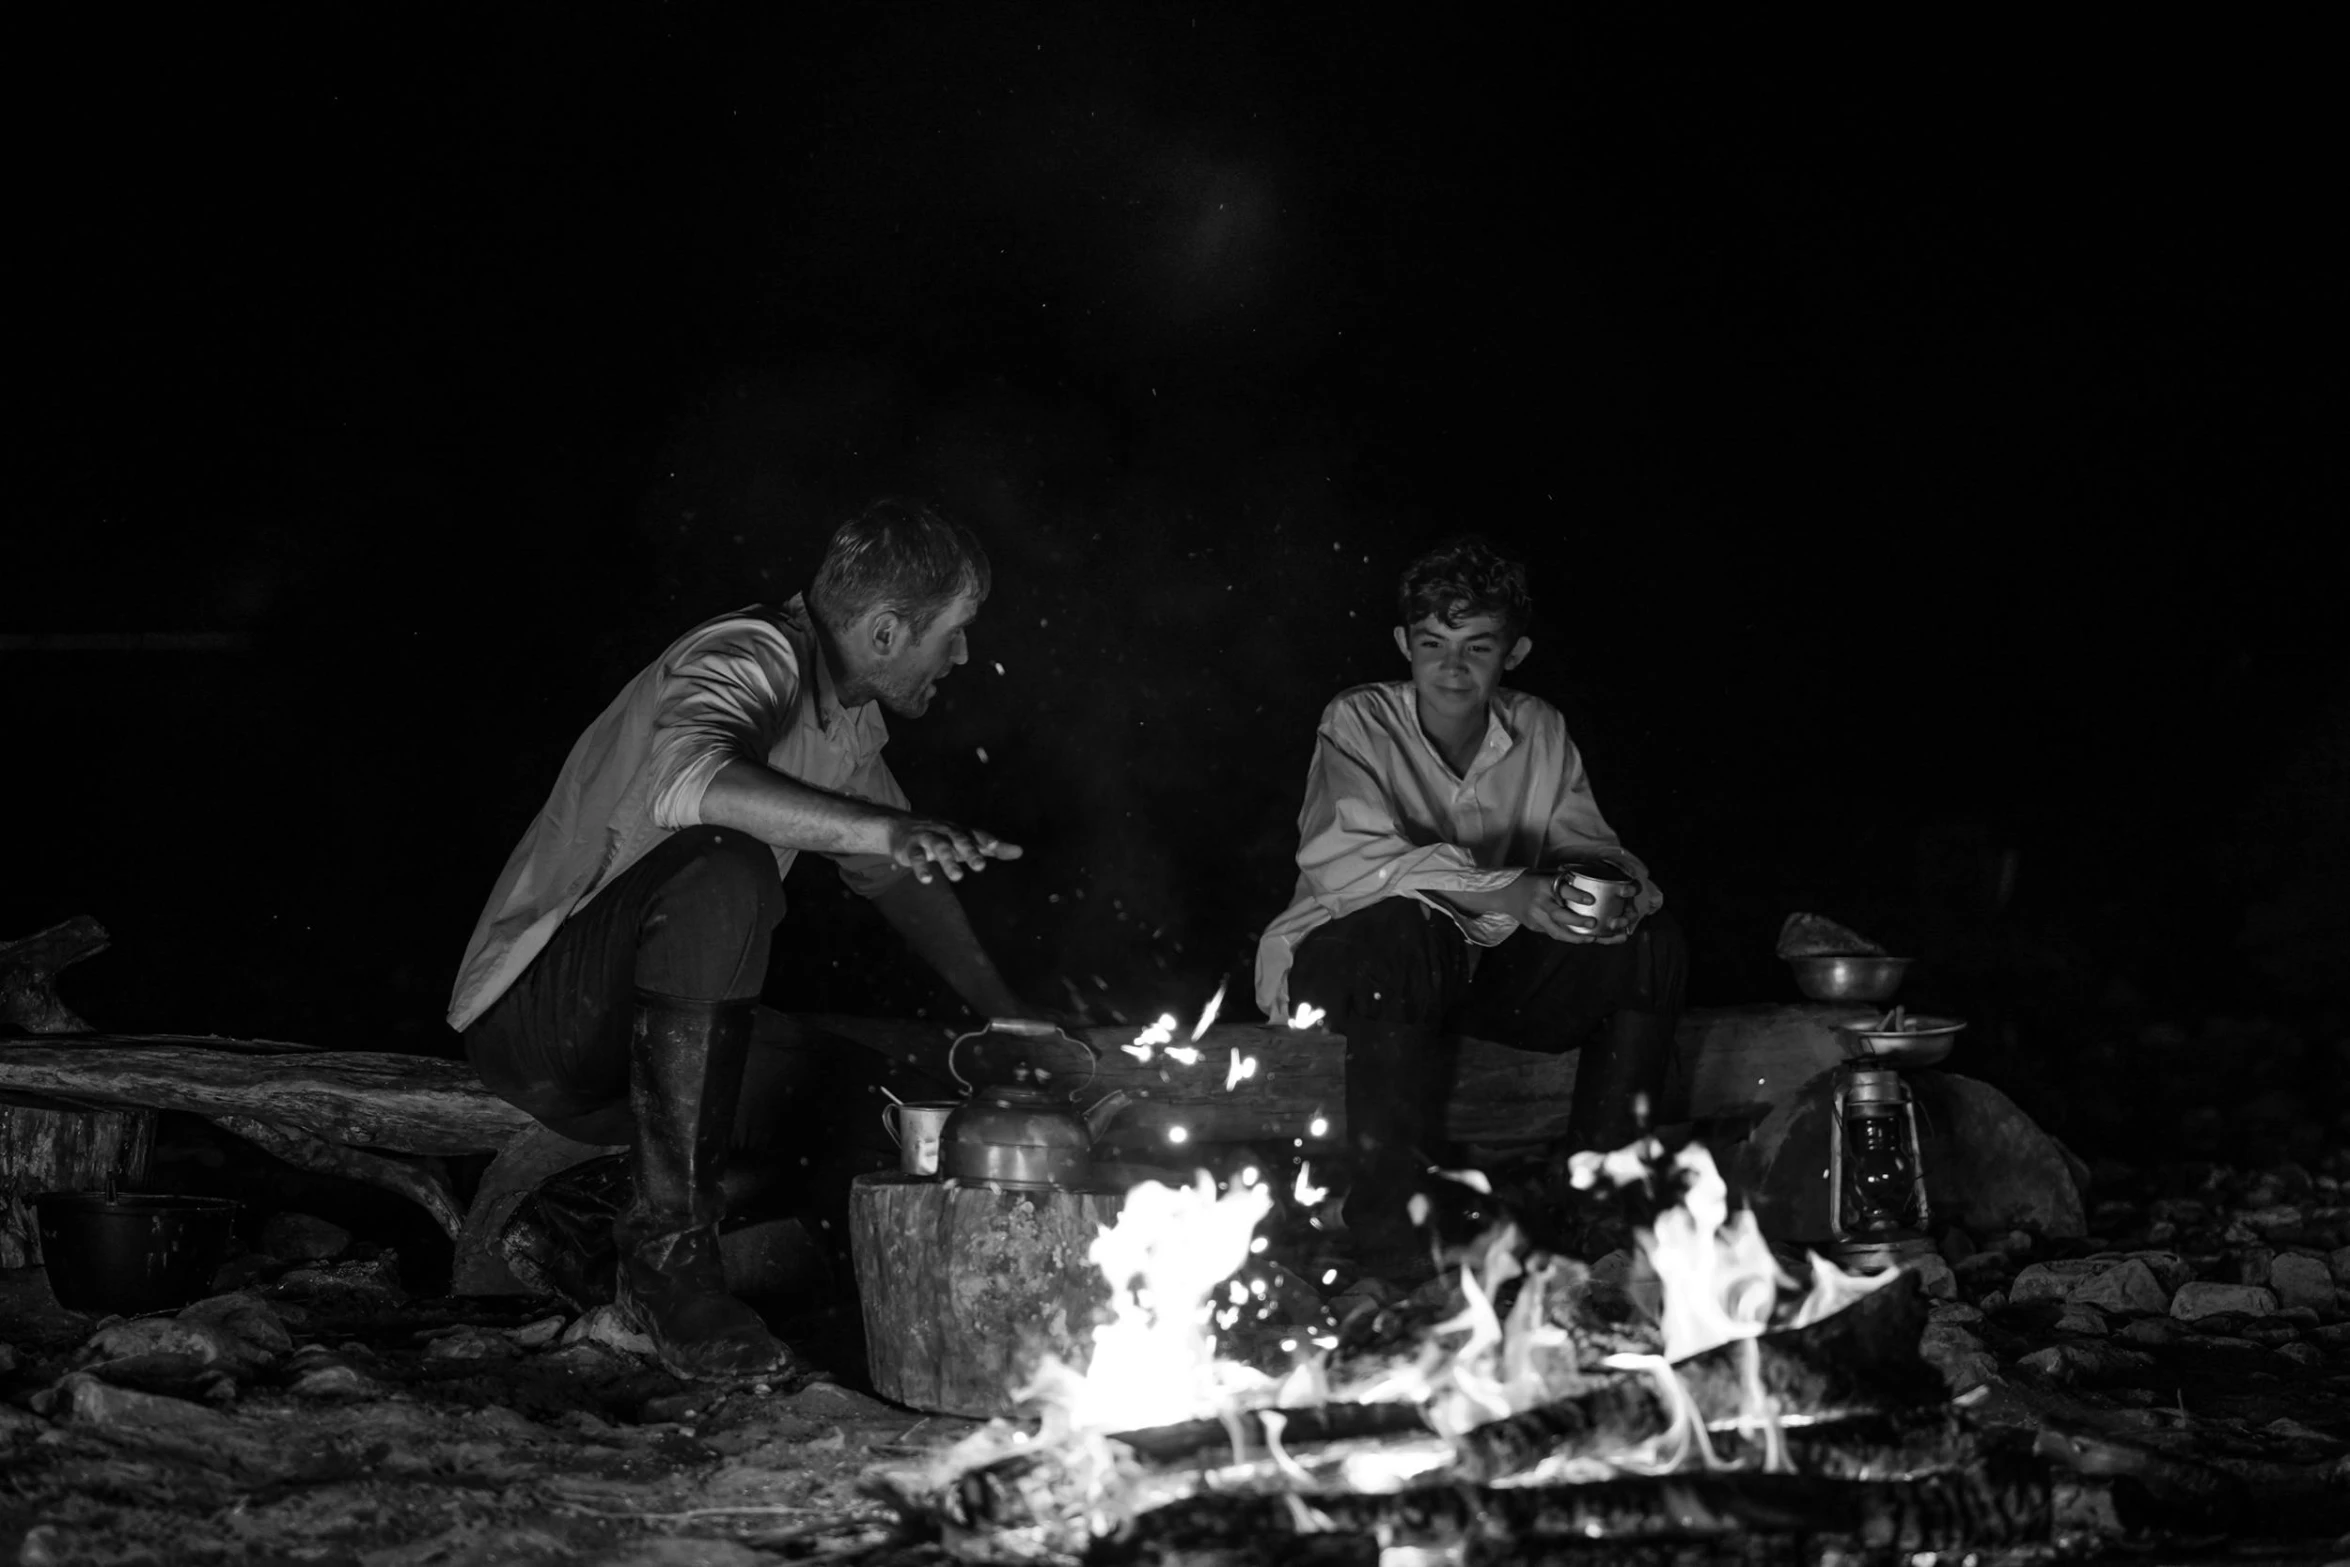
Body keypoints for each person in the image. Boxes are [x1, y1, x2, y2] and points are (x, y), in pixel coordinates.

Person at [450, 498, 1040, 1379]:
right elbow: (688, 783)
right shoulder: (746, 652)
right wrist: (882, 831)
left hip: (651, 1052)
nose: (961, 655)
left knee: (902, 1116)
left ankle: (583, 1220)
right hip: (545, 1021)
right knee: (727, 868)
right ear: (884, 631)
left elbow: (903, 879)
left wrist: (1008, 1019)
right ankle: (669, 1264)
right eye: (953, 632)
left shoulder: (850, 726)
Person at [1253, 536, 1686, 1251]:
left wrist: (1618, 897)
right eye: (1433, 643)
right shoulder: (1357, 720)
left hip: (1474, 976)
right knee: (1406, 925)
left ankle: (1603, 1223)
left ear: (1512, 654)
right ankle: (1389, 1238)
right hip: (1348, 972)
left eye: (1477, 647)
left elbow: (1589, 845)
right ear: (1404, 643)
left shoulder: (1540, 728)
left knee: (1650, 945)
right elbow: (1351, 861)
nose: (1452, 666)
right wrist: (1509, 890)